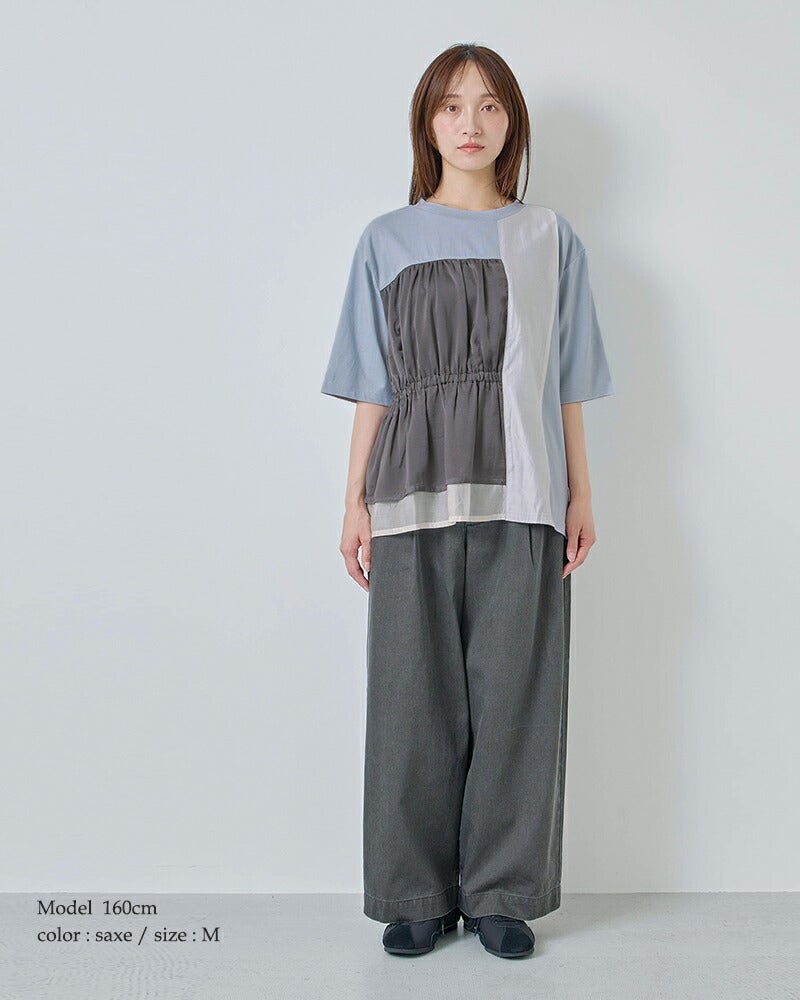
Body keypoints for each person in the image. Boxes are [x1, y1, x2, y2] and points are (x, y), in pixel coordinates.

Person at [320, 42, 614, 960]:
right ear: (427, 123)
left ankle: (502, 895)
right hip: (410, 494)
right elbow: (375, 384)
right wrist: (353, 502)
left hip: (525, 493)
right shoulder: (387, 239)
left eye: (489, 106)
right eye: (452, 106)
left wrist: (581, 491)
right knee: (411, 698)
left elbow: (567, 378)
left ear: (511, 122)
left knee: (518, 698)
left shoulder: (550, 237)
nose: (471, 123)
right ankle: (414, 892)